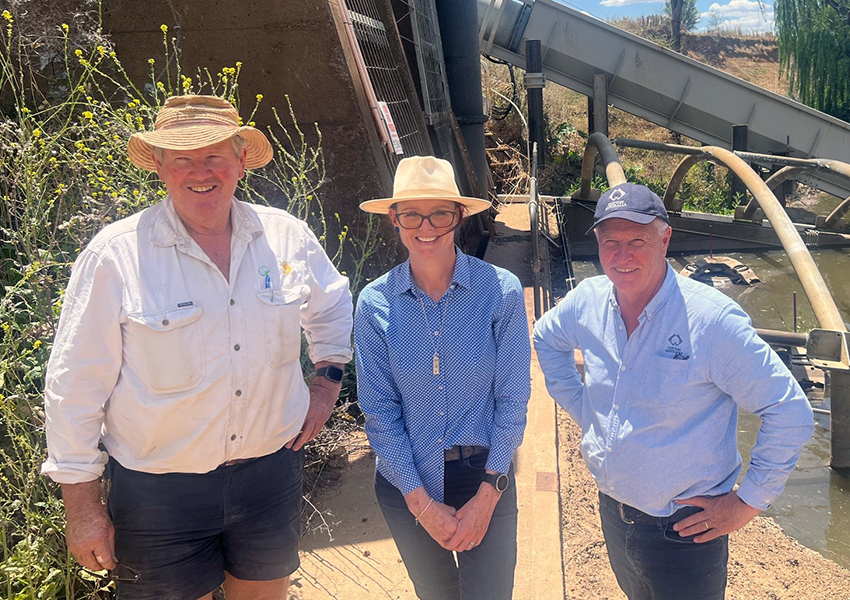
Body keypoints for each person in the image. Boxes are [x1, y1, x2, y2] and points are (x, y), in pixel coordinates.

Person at [41, 95, 353, 600]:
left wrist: (326, 382)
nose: (200, 171)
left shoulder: (286, 237)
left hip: (269, 474)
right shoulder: (115, 255)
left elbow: (332, 308)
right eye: (182, 157)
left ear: (241, 161)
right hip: (158, 494)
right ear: (160, 165)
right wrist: (83, 509)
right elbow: (74, 386)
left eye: (214, 156)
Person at [533, 182, 814, 600]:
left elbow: (790, 411)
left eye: (637, 241)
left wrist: (746, 504)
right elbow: (545, 338)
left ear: (665, 239)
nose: (622, 256)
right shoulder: (586, 301)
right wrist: (586, 410)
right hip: (614, 512)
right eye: (611, 242)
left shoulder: (711, 322)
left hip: (685, 532)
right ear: (596, 241)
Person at [353, 156, 531, 600]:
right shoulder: (374, 304)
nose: (425, 225)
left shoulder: (500, 291)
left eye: (440, 213)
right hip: (406, 479)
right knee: (435, 595)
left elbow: (512, 400)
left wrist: (488, 494)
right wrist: (422, 504)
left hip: (482, 472)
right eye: (411, 212)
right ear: (394, 218)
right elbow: (379, 413)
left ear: (459, 216)